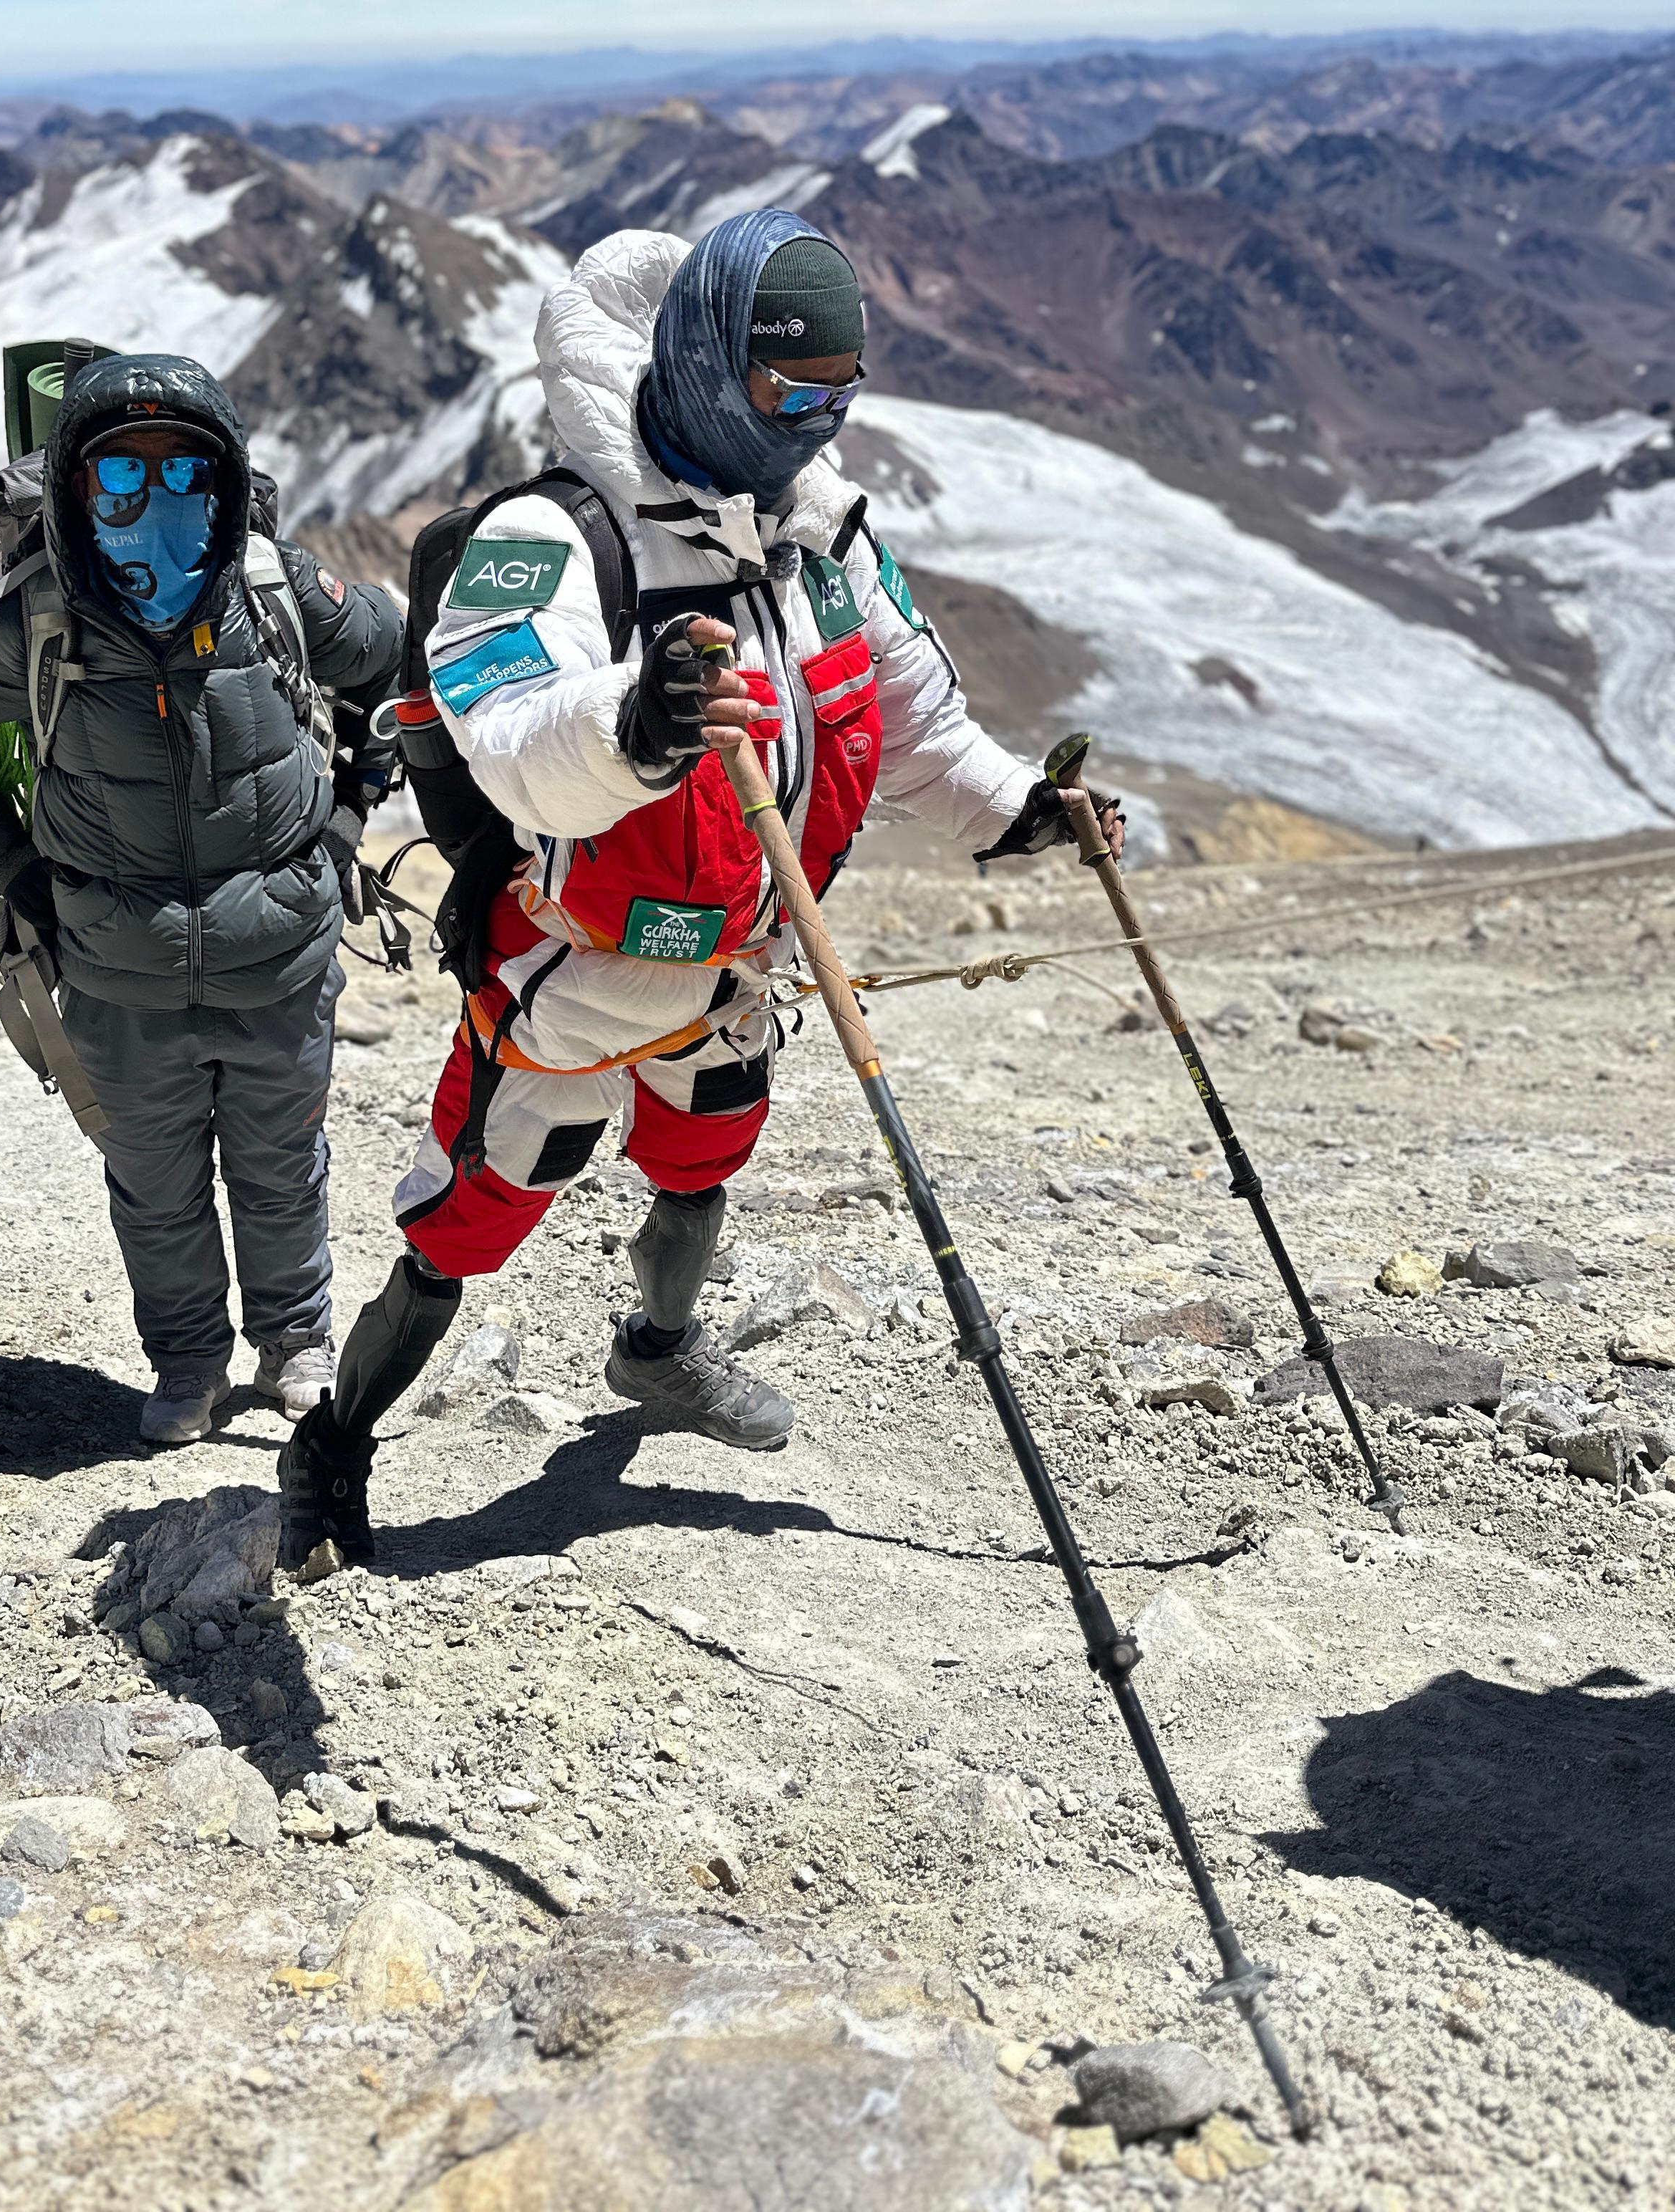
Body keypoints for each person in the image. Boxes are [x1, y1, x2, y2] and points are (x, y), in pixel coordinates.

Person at [277, 210, 1123, 1575]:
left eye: (842, 394)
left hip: (738, 971)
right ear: (715, 368)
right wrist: (638, 721)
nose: (814, 422)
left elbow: (905, 713)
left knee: (702, 1167)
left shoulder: (822, 541)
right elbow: (506, 727)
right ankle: (334, 1443)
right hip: (570, 979)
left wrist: (1019, 807)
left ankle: (658, 1351)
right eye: (791, 390)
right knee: (467, 1226)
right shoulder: (552, 538)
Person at [0, 351, 402, 1444]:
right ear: (72, 492)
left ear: (229, 482)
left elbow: (399, 671)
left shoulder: (276, 591)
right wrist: (14, 871)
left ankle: (294, 1339)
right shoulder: (33, 620)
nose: (154, 506)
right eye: (121, 481)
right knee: (154, 1188)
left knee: (281, 1164)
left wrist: (348, 815)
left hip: (280, 957)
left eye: (184, 477)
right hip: (115, 971)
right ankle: (190, 1363)